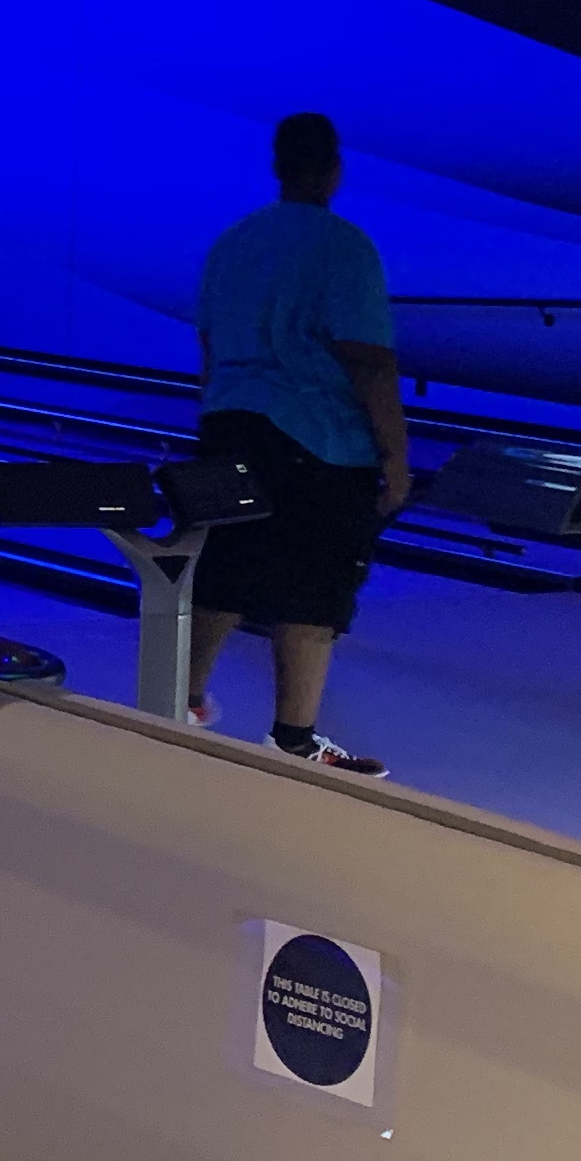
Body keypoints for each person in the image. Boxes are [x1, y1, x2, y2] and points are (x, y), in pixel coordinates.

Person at [189, 110, 407, 774]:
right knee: (316, 590)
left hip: (229, 424)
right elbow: (367, 358)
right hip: (318, 441)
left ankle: (178, 702)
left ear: (277, 165)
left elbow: (210, 344)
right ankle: (295, 738)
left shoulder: (235, 242)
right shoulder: (344, 246)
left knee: (221, 574)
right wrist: (395, 456)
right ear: (334, 169)